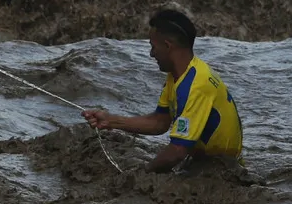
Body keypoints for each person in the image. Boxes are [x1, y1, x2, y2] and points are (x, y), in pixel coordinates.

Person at [82, 9, 243, 173]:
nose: (151, 54)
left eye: (153, 47)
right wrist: (110, 121)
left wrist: (143, 173)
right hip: (205, 163)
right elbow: (160, 122)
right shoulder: (180, 74)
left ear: (167, 46)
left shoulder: (195, 85)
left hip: (224, 170)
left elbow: (177, 152)